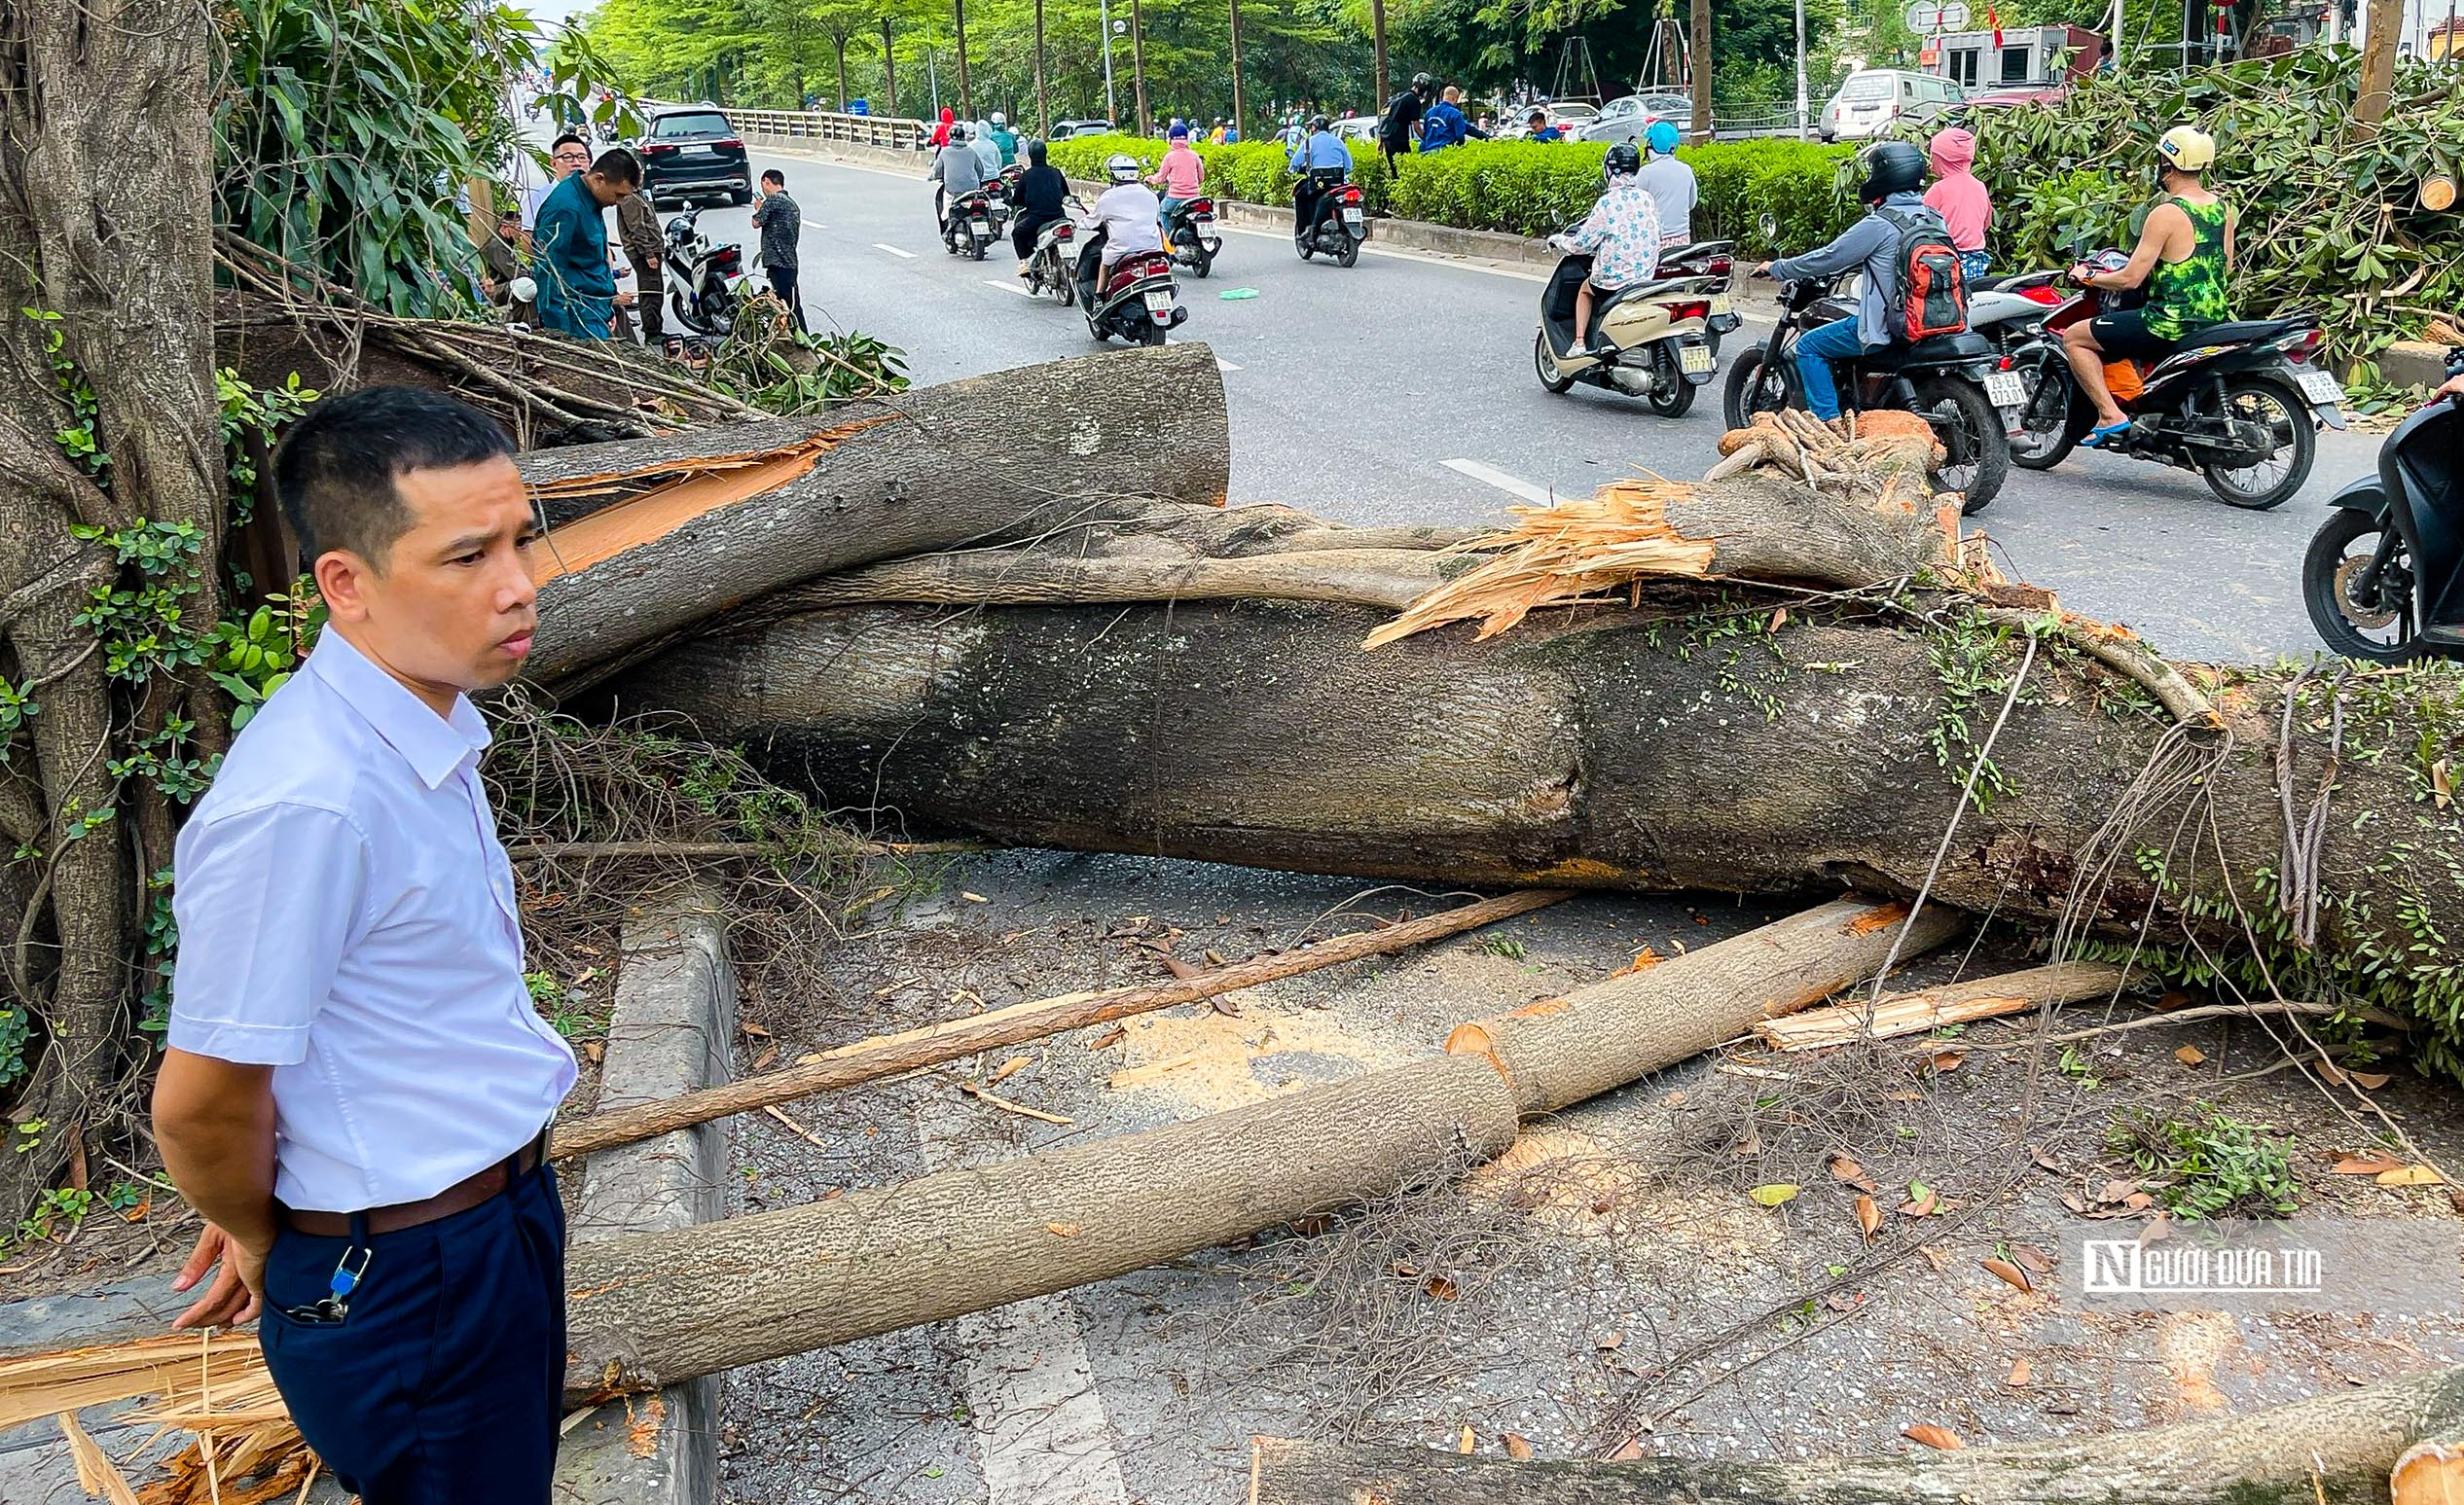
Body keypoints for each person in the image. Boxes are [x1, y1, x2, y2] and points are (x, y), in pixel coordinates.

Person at [155, 384, 573, 1505]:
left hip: (494, 1225)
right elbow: (199, 1100)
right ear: (347, 583)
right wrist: (260, 1232)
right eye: (467, 555)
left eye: (523, 538)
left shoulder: (417, 726)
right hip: (403, 1272)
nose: (518, 583)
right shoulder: (310, 802)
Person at [2060, 125, 2234, 446]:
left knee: (2074, 338)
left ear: (2166, 165)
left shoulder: (2166, 213)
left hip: (2167, 322)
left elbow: (2130, 278)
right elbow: (2226, 265)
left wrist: (2088, 277)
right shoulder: (2223, 208)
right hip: (2213, 320)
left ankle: (2111, 415)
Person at [1751, 140, 1939, 425]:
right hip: (1932, 322)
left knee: (1810, 346)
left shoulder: (1879, 225)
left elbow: (1829, 257)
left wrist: (1778, 268)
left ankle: (1829, 425)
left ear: (1884, 177)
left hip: (1891, 326)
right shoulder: (1934, 218)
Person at [1549, 142, 1661, 355]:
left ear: (1609, 170)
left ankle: (1580, 343)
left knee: (1584, 290)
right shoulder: (1647, 199)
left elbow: (1580, 244)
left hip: (1614, 281)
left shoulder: (1607, 203)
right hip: (1646, 277)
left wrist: (1559, 240)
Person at [530, 148, 639, 339]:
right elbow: (548, 271)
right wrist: (561, 335)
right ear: (599, 179)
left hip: (597, 309)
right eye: (619, 195)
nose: (620, 202)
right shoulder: (565, 207)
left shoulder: (591, 198)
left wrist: (608, 305)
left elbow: (594, 259)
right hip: (576, 315)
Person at [1080, 152, 1165, 298]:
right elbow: (1156, 219)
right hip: (1153, 248)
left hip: (1123, 249)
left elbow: (1091, 221)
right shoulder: (1150, 195)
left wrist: (1077, 225)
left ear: (1114, 176)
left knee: (1104, 265)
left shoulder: (1109, 196)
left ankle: (1099, 297)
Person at [1923, 125, 1992, 281]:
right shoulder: (1979, 186)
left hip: (1947, 261)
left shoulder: (1939, 189)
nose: (1931, 161)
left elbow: (1920, 224)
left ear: (1943, 159)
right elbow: (1986, 223)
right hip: (1976, 261)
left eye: (1933, 156)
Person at [612, 168, 665, 344]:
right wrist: (648, 254)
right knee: (651, 291)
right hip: (644, 253)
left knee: (654, 290)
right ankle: (652, 331)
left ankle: (654, 327)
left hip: (651, 249)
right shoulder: (629, 199)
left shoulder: (638, 195)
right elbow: (637, 229)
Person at [749, 168, 805, 332]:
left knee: (789, 306)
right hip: (789, 261)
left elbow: (756, 222)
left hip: (779, 262)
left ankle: (802, 338)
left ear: (767, 181)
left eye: (763, 185)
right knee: (788, 304)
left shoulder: (773, 201)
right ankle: (793, 337)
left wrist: (759, 208)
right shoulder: (791, 203)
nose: (764, 190)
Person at [1010, 137, 1069, 274]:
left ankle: (1024, 263)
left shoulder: (1027, 175)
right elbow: (1066, 194)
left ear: (1030, 155)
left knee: (1017, 233)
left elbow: (1017, 199)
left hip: (1037, 218)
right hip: (1060, 216)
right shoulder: (1056, 172)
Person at [1287, 113, 1350, 240]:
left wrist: (1291, 169)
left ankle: (1306, 229)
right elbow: (1349, 166)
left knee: (1300, 196)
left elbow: (1295, 162)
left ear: (1314, 128)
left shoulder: (1309, 142)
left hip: (1318, 185)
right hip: (1339, 184)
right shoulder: (1338, 141)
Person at [1638, 119, 1696, 245]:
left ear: (1651, 145)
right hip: (1683, 239)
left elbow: (1635, 207)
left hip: (1655, 241)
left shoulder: (1645, 172)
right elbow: (1692, 204)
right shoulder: (1686, 170)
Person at [519, 133, 591, 235]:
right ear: (554, 163)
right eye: (568, 157)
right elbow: (528, 241)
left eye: (582, 157)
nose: (577, 163)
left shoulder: (591, 197)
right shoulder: (538, 198)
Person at [477, 208, 535, 325]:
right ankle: (522, 322)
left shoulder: (505, 244)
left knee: (528, 282)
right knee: (525, 285)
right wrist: (531, 274)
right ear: (505, 227)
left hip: (503, 286)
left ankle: (528, 321)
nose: (520, 233)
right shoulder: (496, 245)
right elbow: (513, 272)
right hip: (493, 290)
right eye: (518, 229)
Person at [1150, 123, 1205, 243]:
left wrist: (1150, 179)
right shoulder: (1194, 156)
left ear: (1170, 139)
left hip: (1175, 198)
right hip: (1195, 198)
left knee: (1163, 211)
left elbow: (1160, 179)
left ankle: (1171, 243)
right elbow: (1201, 178)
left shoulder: (1169, 157)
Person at [930, 122, 986, 229]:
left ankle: (947, 230)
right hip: (972, 189)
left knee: (946, 212)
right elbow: (980, 170)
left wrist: (933, 176)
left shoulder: (944, 152)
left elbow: (937, 172)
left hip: (952, 190)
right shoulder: (971, 151)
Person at [1379, 73, 1433, 176]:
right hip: (1399, 139)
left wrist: (1380, 140)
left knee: (1394, 171)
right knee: (1405, 171)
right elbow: (1417, 127)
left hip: (1387, 138)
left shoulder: (1399, 96)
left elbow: (1385, 116)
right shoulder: (1413, 100)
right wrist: (1428, 140)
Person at [1419, 85, 1488, 152]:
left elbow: (1425, 135)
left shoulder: (1429, 112)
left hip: (1427, 152)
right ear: (1454, 98)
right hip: (1445, 152)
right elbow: (1460, 136)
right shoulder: (1455, 114)